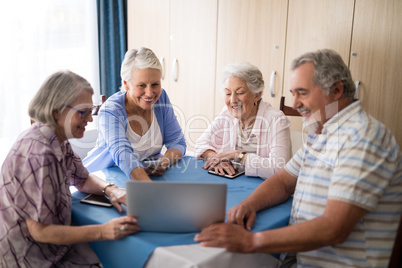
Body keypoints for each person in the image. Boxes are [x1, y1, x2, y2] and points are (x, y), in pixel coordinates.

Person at [194, 49, 402, 267]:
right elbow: (284, 182)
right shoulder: (321, 133)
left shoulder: (363, 137)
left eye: (302, 93)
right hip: (301, 258)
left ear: (337, 90)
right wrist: (248, 205)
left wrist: (252, 241)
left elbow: (335, 228)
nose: (294, 105)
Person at [0, 71, 140, 267]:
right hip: (29, 257)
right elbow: (41, 231)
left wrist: (111, 189)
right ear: (56, 111)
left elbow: (81, 179)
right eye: (83, 112)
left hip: (53, 247)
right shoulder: (39, 153)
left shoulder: (56, 138)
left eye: (92, 110)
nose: (90, 119)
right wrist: (103, 231)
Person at [83, 47, 186, 181]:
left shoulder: (161, 98)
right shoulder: (111, 110)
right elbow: (123, 155)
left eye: (155, 84)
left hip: (140, 177)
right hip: (99, 180)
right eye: (141, 85)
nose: (149, 93)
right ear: (126, 84)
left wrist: (164, 162)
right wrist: (154, 193)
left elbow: (178, 143)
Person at [195, 61, 291, 179]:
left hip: (265, 187)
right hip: (233, 183)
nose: (233, 100)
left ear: (257, 95)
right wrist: (217, 159)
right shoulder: (226, 115)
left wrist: (239, 156)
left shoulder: (276, 119)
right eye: (228, 93)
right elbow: (201, 143)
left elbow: (280, 169)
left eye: (240, 93)